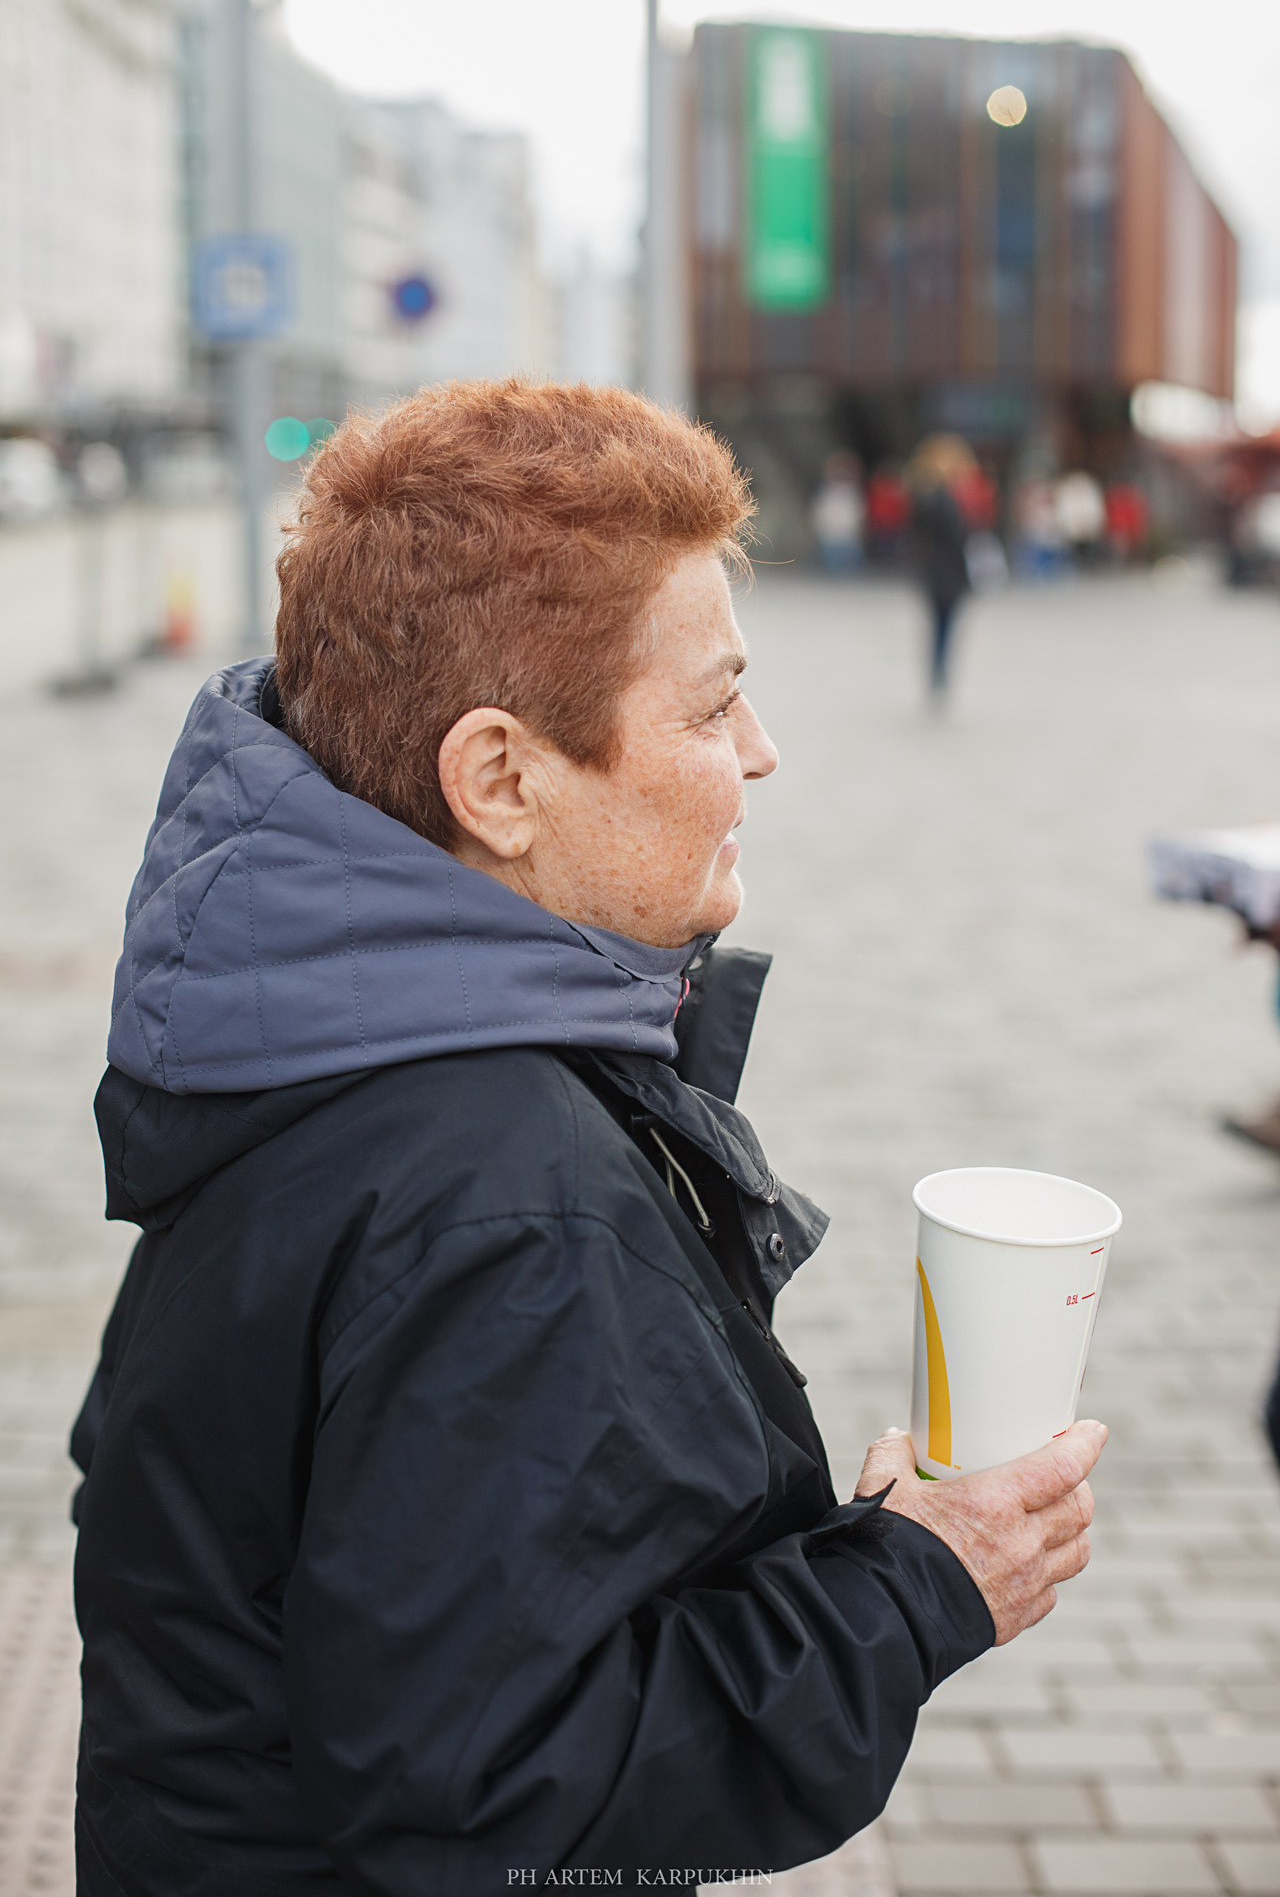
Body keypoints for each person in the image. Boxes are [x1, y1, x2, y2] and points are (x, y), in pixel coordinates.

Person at [72, 380, 1103, 1895]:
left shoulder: (310, 1035)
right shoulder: (503, 1205)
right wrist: (921, 1586)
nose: (760, 751)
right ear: (499, 780)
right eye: (707, 705)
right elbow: (495, 1804)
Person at [907, 433, 976, 699]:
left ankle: (937, 672)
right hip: (947, 574)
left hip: (931, 573)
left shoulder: (924, 497)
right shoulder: (945, 501)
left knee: (937, 626)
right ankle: (940, 672)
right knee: (944, 627)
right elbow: (957, 541)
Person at [810, 449, 865, 574]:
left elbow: (859, 516)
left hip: (849, 540)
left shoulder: (853, 493)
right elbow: (819, 514)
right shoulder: (825, 493)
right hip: (830, 539)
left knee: (851, 576)